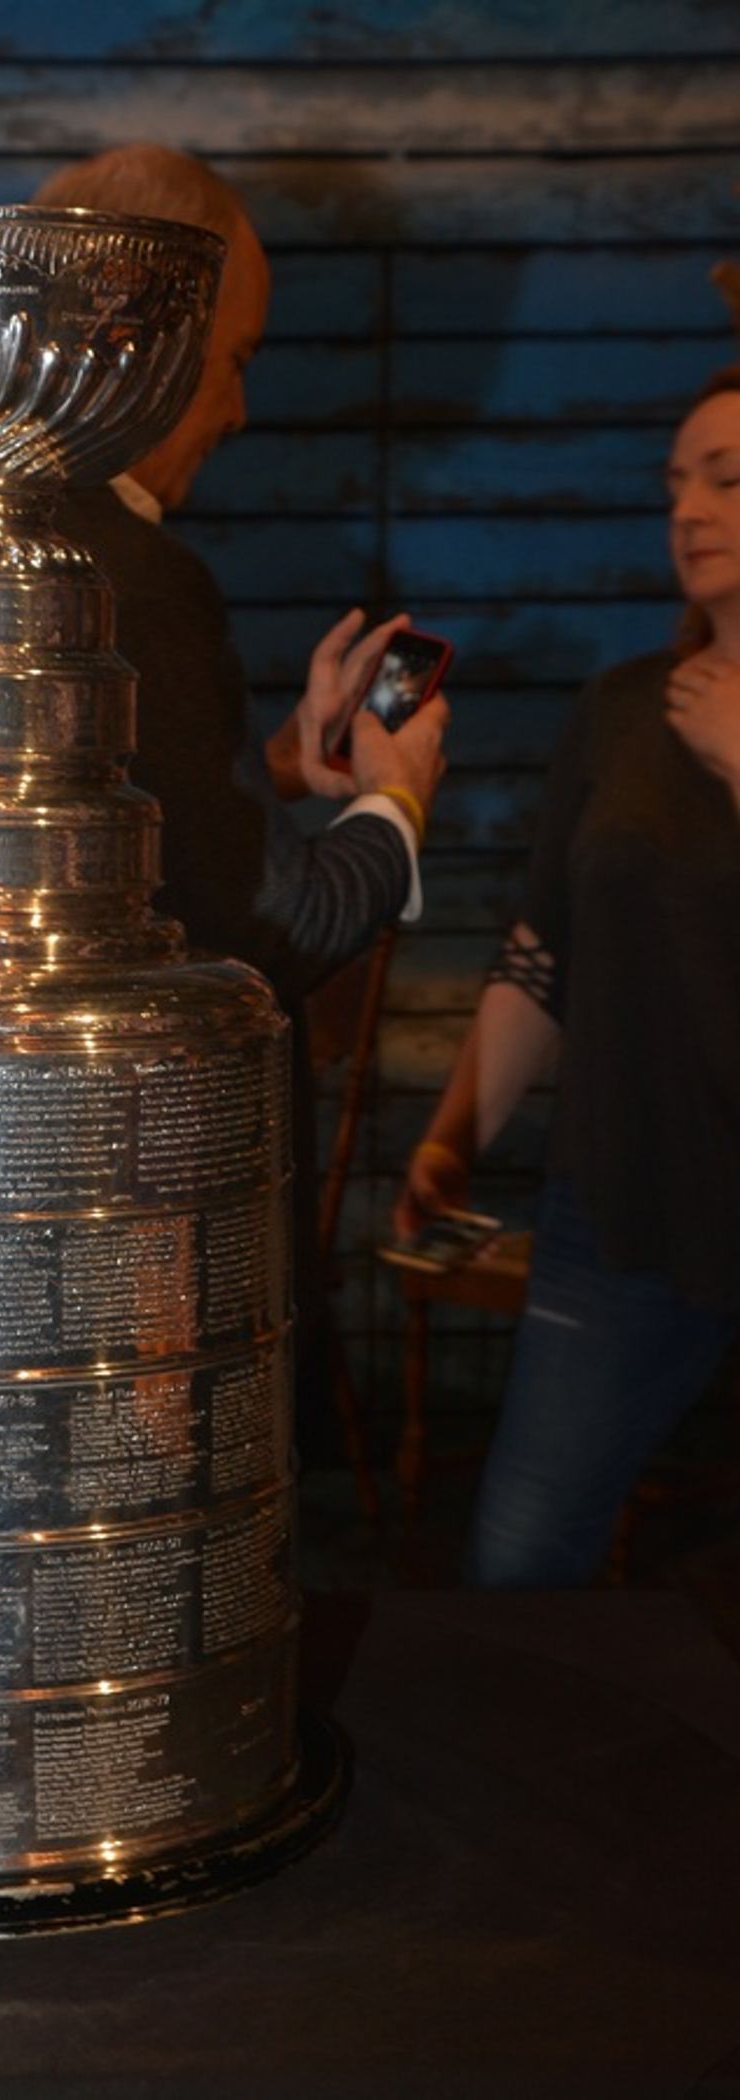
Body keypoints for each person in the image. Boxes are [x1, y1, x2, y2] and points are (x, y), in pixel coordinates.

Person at [30, 144, 449, 1429]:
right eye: (238, 357)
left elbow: (92, 825)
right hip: (162, 1247)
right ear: (140, 339)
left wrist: (266, 772)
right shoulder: (141, 579)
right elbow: (263, 939)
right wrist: (395, 798)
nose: (239, 411)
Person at [396, 363, 740, 1587]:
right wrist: (452, 1139)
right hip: (623, 1190)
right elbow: (543, 954)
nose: (686, 512)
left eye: (726, 480)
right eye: (673, 486)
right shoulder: (618, 709)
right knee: (520, 1554)